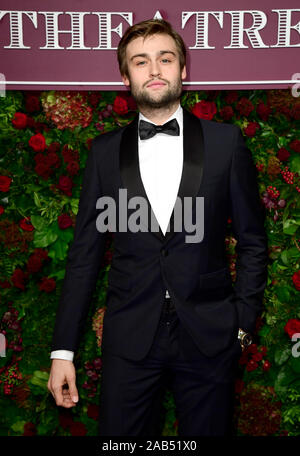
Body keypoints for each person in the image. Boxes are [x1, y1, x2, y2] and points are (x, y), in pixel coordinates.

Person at [47, 18, 268, 436]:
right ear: (125, 75)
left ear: (183, 70)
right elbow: (84, 256)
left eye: (165, 59)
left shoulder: (226, 143)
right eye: (140, 61)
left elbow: (253, 241)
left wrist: (242, 323)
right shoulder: (103, 152)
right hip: (130, 337)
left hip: (209, 336)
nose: (154, 70)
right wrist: (63, 351)